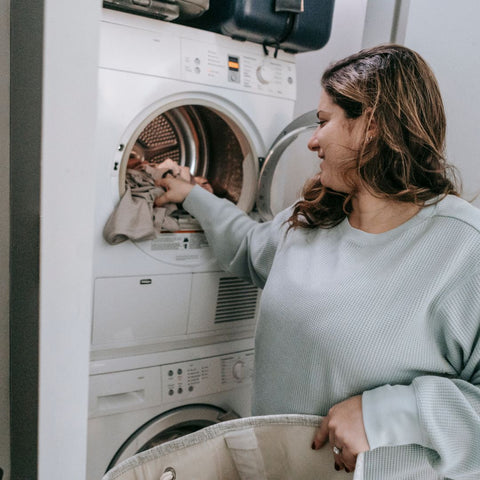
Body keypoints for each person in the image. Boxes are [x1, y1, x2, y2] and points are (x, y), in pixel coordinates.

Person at [155, 45, 480, 479]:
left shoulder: (462, 248)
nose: (312, 140)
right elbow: (248, 247)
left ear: (372, 125)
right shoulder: (312, 219)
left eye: (324, 122)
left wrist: (388, 413)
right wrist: (194, 196)